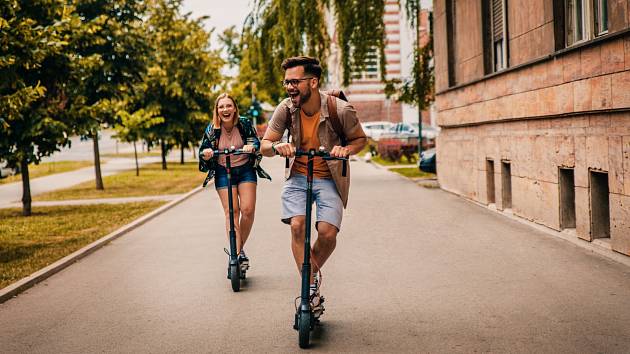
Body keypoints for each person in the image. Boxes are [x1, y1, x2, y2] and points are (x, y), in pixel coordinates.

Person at [260, 56, 366, 318]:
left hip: (329, 176)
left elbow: (360, 139)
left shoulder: (340, 110)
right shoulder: (286, 109)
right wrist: (276, 147)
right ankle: (310, 290)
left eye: (295, 82)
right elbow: (265, 145)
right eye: (286, 82)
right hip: (298, 175)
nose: (289, 87)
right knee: (298, 226)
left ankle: (310, 280)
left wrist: (345, 149)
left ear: (313, 82)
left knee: (328, 233)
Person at [199, 93, 271, 272]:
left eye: (228, 106)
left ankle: (237, 251)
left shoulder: (244, 123)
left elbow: (255, 140)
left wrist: (251, 146)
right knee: (232, 212)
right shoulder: (212, 129)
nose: (225, 109)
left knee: (247, 210)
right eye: (221, 107)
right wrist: (207, 153)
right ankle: (236, 255)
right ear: (217, 110)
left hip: (245, 169)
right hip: (224, 171)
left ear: (235, 108)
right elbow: (203, 151)